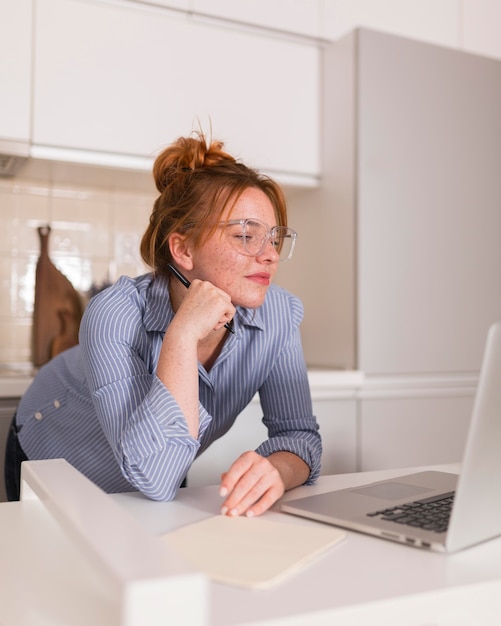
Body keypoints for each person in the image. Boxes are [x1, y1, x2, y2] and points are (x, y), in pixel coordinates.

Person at [4, 132, 321, 517]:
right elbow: (155, 476)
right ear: (183, 249)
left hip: (158, 465)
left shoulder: (279, 316)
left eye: (273, 239)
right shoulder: (114, 312)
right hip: (55, 454)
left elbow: (299, 437)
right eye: (245, 236)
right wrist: (184, 334)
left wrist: (278, 469)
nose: (269, 255)